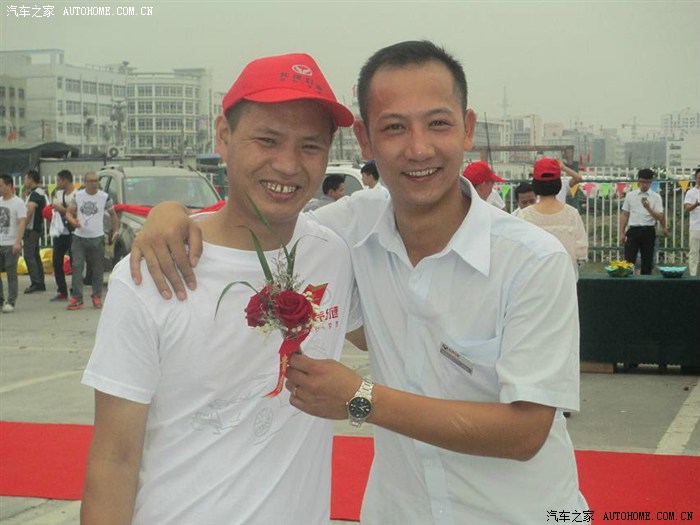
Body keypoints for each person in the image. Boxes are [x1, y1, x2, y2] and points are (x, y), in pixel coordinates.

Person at [129, 40, 586, 524]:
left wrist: (359, 398)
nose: (419, 148)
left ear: (467, 128)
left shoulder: (533, 261)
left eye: (438, 123)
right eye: (394, 128)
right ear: (365, 140)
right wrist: (171, 215)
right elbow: (257, 223)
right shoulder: (350, 230)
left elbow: (525, 433)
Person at [80, 53, 360, 525]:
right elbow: (114, 458)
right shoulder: (152, 272)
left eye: (310, 146)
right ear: (224, 136)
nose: (288, 164)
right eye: (267, 140)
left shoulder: (333, 253)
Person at [519, 158, 588, 277]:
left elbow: (519, 253)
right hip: (565, 280)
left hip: (534, 280)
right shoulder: (572, 214)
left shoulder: (524, 215)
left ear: (535, 184)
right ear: (558, 183)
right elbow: (581, 254)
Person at [65, 172, 119, 310]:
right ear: (85, 182)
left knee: (97, 268)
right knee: (77, 266)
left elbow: (113, 214)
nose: (93, 183)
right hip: (79, 237)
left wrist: (115, 230)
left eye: (95, 181)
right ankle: (77, 298)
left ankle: (97, 296)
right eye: (90, 181)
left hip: (97, 237)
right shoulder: (78, 195)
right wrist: (72, 221)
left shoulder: (104, 197)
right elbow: (69, 212)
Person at [619, 168, 667, 275]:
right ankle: (628, 282)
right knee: (628, 261)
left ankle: (645, 282)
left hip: (648, 230)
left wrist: (648, 208)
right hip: (633, 230)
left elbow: (659, 216)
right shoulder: (631, 195)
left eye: (647, 182)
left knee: (647, 262)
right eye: (642, 182)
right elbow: (625, 214)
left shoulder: (656, 197)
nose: (644, 185)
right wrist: (622, 232)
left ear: (651, 182)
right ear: (638, 181)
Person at [0, 174, 28, 313]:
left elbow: (22, 222)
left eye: (1, 185)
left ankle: (11, 301)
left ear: (10, 186)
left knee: (11, 274)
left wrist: (18, 241)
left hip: (11, 243)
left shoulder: (18, 203)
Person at [49, 169, 76, 301]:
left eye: (59, 180)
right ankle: (62, 290)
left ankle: (75, 289)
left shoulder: (77, 195)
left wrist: (62, 210)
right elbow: (54, 208)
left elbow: (76, 213)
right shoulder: (58, 194)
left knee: (74, 262)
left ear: (65, 180)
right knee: (56, 261)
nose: (57, 183)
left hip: (73, 232)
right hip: (60, 232)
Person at [21, 169, 47, 293]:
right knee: (35, 255)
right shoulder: (38, 193)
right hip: (36, 228)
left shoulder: (35, 194)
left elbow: (30, 212)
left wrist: (22, 227)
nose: (24, 181)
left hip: (31, 229)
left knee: (29, 255)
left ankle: (36, 282)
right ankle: (40, 282)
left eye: (25, 179)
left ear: (31, 179)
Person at [684, 167, 700, 276]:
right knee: (694, 252)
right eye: (699, 178)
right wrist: (696, 204)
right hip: (695, 227)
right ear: (695, 178)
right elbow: (687, 208)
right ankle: (693, 276)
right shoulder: (691, 192)